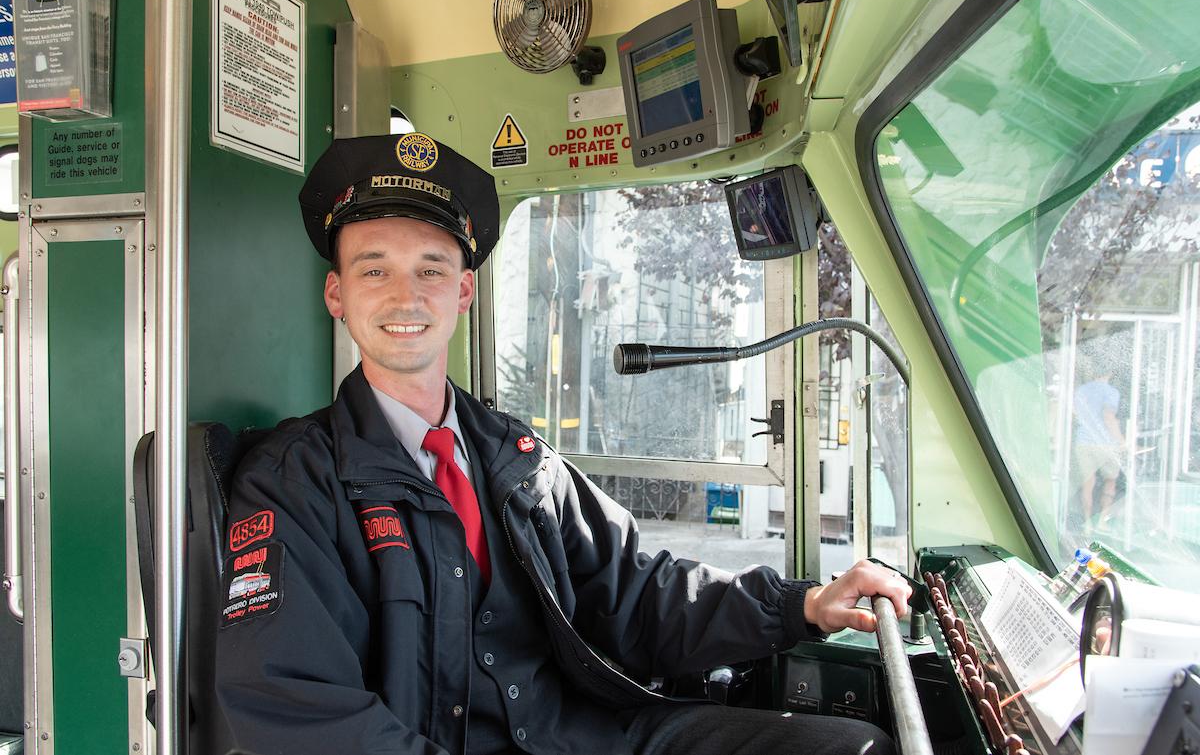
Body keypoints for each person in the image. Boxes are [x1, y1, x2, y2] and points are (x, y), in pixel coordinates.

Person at [215, 133, 910, 755]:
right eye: (374, 269)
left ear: (463, 291)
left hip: (602, 732)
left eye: (431, 269)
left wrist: (801, 605)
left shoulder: (516, 459)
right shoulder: (295, 484)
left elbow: (638, 592)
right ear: (336, 294)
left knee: (856, 747)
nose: (406, 296)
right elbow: (301, 708)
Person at [1072, 361, 1126, 529]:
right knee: (1110, 481)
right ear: (1109, 373)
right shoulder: (1111, 392)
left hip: (1083, 442)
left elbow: (1074, 414)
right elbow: (1108, 417)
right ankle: (1102, 521)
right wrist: (1122, 441)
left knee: (1088, 483)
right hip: (1105, 444)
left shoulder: (1081, 391)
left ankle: (1087, 521)